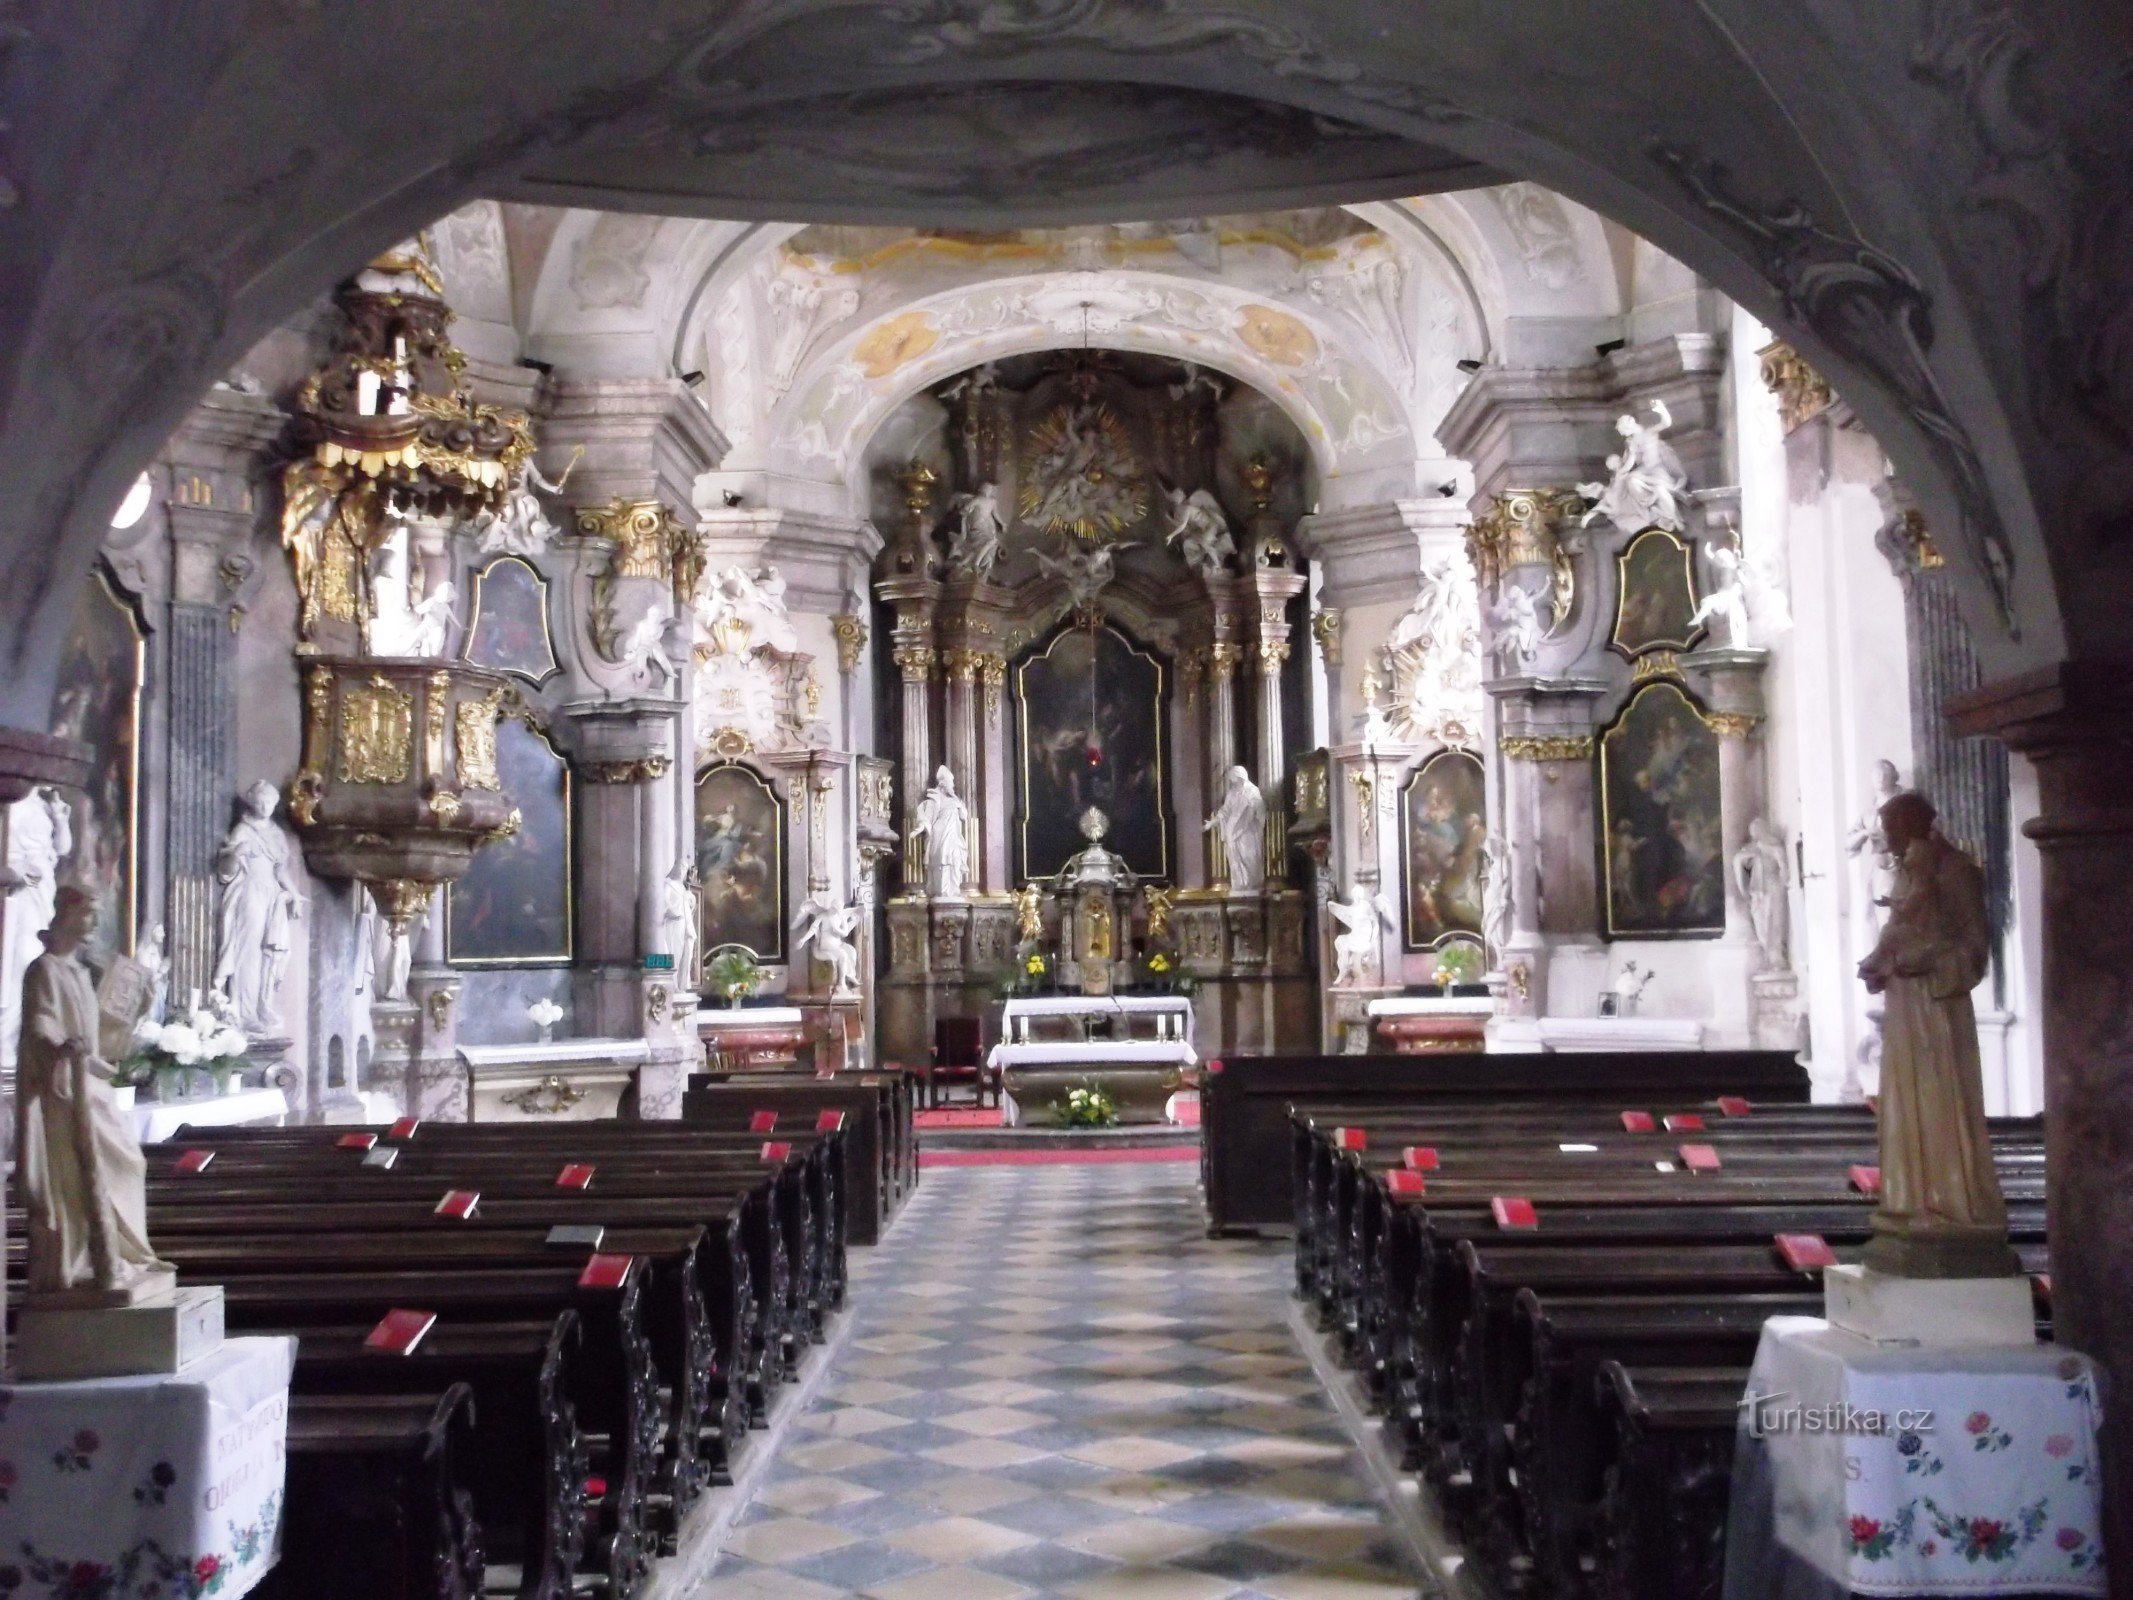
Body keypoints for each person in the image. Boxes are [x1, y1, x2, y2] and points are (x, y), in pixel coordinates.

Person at [1857, 791, 2015, 1276]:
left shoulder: (1955, 870)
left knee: (1940, 1101)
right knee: (1907, 1103)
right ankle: (1913, 1202)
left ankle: (1953, 1204)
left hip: (1937, 1009)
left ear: (1915, 825)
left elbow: (1973, 948)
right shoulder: (1909, 872)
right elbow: (1900, 930)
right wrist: (1881, 962)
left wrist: (1923, 960)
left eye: (1893, 831)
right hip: (1906, 1006)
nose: (1889, 842)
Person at [17, 886, 175, 1298]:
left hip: (91, 1083)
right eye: (88, 915)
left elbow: (98, 1037)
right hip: (66, 1088)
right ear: (67, 915)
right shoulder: (45, 969)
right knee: (89, 1174)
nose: (93, 925)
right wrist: (58, 1046)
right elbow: (39, 1024)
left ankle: (126, 1252)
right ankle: (91, 1257)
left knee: (129, 1163)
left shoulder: (80, 973)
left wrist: (131, 1013)